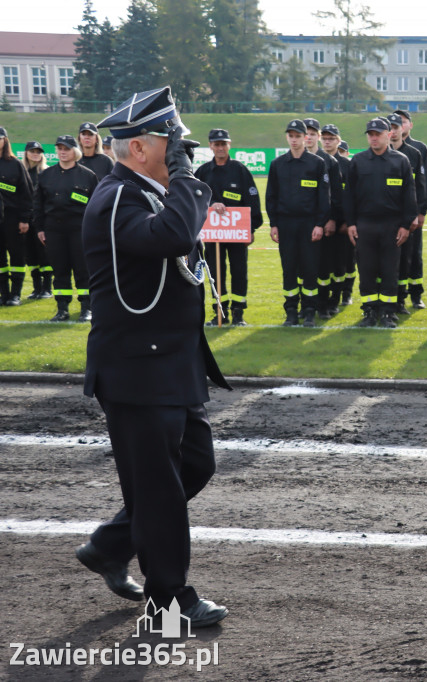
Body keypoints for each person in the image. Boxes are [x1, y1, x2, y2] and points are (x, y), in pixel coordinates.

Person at [78, 86, 229, 627]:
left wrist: (181, 179)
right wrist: (189, 179)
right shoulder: (119, 197)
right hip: (137, 369)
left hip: (167, 363)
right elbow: (173, 236)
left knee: (194, 464)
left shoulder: (145, 191)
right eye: (174, 144)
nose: (182, 153)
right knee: (160, 489)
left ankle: (111, 545)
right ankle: (169, 604)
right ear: (139, 149)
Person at [344, 117, 417, 328]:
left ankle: (387, 313)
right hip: (364, 224)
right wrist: (350, 223)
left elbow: (409, 196)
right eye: (370, 134)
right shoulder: (357, 161)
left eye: (378, 134)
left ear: (389, 134)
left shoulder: (401, 161)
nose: (374, 138)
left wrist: (405, 225)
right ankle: (369, 311)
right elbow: (348, 196)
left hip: (392, 225)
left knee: (389, 270)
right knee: (366, 270)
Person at [194, 128, 263, 326]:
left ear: (229, 145)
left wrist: (251, 228)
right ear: (210, 146)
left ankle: (239, 313)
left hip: (237, 232)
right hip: (213, 234)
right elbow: (195, 198)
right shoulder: (203, 172)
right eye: (217, 144)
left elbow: (253, 199)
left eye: (223, 144)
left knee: (239, 271)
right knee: (216, 273)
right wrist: (210, 205)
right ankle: (219, 313)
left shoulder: (240, 170)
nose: (220, 148)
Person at [265, 119, 329, 327]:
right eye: (291, 136)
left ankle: (309, 310)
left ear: (306, 138)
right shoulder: (278, 164)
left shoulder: (317, 164)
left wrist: (320, 224)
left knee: (310, 268)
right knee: (289, 268)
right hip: (285, 224)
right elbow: (271, 196)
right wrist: (273, 224)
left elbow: (323, 198)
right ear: (287, 137)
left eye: (298, 136)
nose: (294, 140)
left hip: (309, 224)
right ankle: (291, 311)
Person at [34, 135, 97, 322]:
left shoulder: (87, 175)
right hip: (54, 229)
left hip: (79, 229)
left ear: (74, 151)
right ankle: (62, 308)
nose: (62, 152)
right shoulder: (46, 175)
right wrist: (39, 228)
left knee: (82, 269)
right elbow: (38, 204)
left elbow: (95, 206)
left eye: (66, 148)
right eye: (59, 148)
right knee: (59, 270)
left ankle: (87, 308)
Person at [301, 118, 344, 320]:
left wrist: (331, 219)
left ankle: (325, 304)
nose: (308, 137)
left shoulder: (329, 161)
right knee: (303, 266)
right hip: (302, 223)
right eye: (305, 133)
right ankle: (306, 305)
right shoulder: (293, 159)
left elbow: (335, 195)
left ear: (318, 136)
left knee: (324, 266)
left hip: (324, 223)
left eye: (312, 133)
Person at [387, 113, 427, 315]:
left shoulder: (415, 152)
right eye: (391, 126)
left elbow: (422, 186)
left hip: (409, 217)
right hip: (386, 218)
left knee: (411, 256)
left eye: (398, 125)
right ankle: (385, 298)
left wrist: (421, 212)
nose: (395, 130)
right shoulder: (377, 153)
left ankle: (413, 294)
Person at [321, 124, 356, 309]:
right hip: (321, 224)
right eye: (325, 138)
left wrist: (348, 222)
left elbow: (352, 196)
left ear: (338, 141)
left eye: (331, 139)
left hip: (342, 224)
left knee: (345, 262)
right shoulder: (316, 161)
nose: (328, 142)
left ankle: (344, 293)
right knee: (324, 263)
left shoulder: (347, 165)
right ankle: (325, 298)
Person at [0, 126, 33, 306]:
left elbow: (26, 193)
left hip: (13, 218)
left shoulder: (15, 164)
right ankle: (3, 293)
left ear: (5, 141)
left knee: (16, 256)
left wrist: (24, 219)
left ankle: (15, 294)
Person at [22, 140, 52, 300]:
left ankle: (47, 288)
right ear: (26, 153)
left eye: (38, 151)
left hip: (41, 220)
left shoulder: (45, 173)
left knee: (44, 254)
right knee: (30, 255)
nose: (35, 154)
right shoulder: (22, 171)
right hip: (25, 220)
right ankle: (36, 287)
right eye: (32, 151)